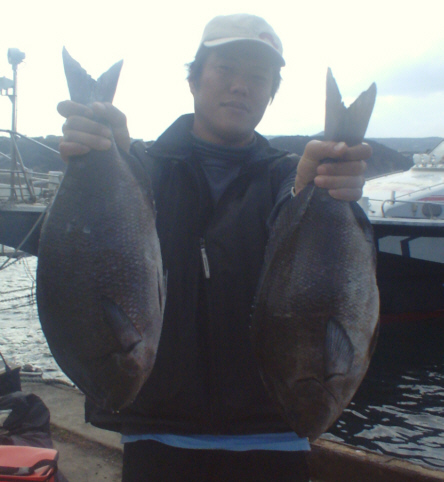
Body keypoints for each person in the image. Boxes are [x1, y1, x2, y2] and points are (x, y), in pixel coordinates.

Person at [58, 13, 371, 482]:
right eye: (225, 69)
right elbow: (77, 261)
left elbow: (324, 239)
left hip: (274, 431)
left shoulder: (288, 178)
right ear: (194, 79)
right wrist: (111, 159)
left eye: (258, 78)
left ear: (271, 94)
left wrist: (321, 187)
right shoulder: (142, 167)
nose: (240, 86)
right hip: (157, 433)